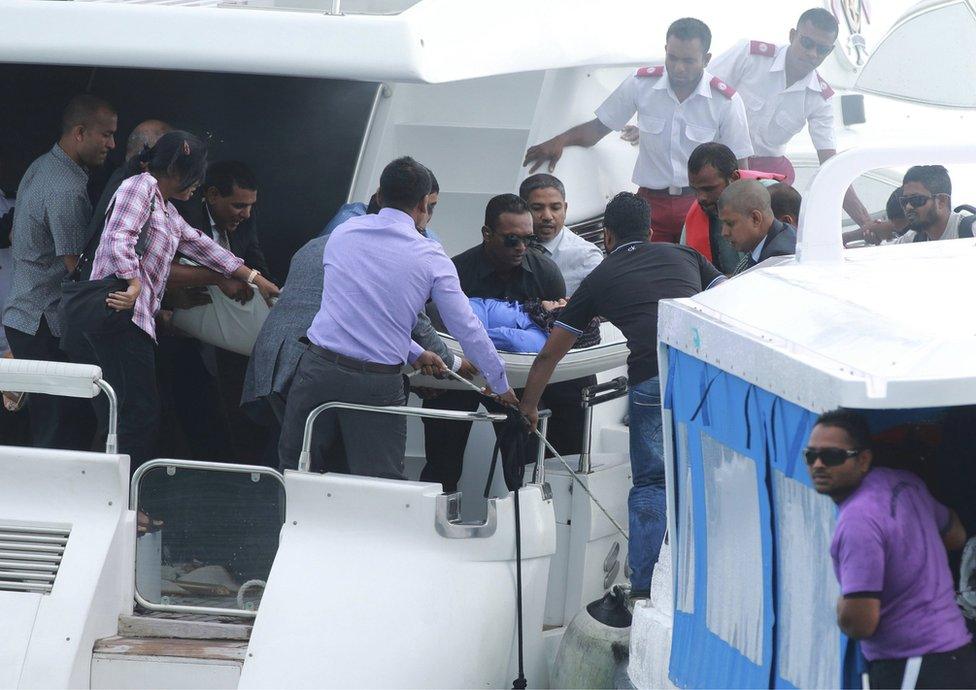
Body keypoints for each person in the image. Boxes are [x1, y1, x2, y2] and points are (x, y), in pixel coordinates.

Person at [518, 191, 724, 598]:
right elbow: (732, 299)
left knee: (651, 483)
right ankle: (706, 577)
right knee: (704, 475)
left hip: (649, 381)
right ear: (649, 232)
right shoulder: (685, 256)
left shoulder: (600, 277)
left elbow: (548, 357)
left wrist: (527, 406)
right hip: (702, 379)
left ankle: (644, 588)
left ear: (607, 238)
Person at [277, 157, 515, 479]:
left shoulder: (343, 234)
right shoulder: (431, 256)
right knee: (381, 481)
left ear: (379, 195)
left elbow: (359, 314)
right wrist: (498, 382)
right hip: (375, 384)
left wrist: (416, 352)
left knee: (296, 471)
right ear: (422, 204)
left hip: (318, 371)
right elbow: (467, 327)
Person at [80, 130, 279, 471]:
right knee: (134, 412)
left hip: (135, 320)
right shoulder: (139, 186)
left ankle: (124, 495)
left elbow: (198, 242)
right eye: (196, 176)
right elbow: (118, 240)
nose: (198, 185)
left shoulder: (164, 205)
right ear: (176, 170)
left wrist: (254, 278)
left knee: (135, 410)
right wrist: (133, 284)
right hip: (117, 314)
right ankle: (119, 496)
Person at [523, 17, 753, 244]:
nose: (678, 67)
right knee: (645, 271)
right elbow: (598, 129)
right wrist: (559, 140)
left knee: (697, 271)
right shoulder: (641, 84)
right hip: (651, 204)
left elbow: (740, 169)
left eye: (688, 61)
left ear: (706, 59)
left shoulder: (725, 101)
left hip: (700, 202)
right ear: (665, 50)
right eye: (672, 58)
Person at [805, 410, 976, 689]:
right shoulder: (904, 484)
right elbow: (956, 534)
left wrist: (841, 607)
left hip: (913, 662)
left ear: (863, 459)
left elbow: (861, 622)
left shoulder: (858, 520)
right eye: (811, 456)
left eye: (833, 456)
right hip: (953, 654)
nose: (819, 465)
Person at [421, 194, 567, 492]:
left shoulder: (545, 272)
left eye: (529, 238)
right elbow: (422, 325)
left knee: (522, 470)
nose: (522, 248)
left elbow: (557, 338)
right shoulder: (456, 271)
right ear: (487, 234)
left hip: (520, 383)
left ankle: (522, 529)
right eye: (512, 240)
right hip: (460, 376)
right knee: (442, 465)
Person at [2, 94, 117, 450]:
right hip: (43, 323)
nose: (112, 145)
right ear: (80, 132)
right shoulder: (66, 189)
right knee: (54, 425)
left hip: (23, 315)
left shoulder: (43, 164)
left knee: (45, 421)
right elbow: (76, 266)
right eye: (106, 135)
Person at [707, 8, 874, 230]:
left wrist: (866, 221)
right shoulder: (749, 54)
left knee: (785, 231)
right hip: (721, 164)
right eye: (807, 43)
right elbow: (702, 93)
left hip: (768, 174)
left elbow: (830, 164)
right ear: (792, 35)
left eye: (822, 49)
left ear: (830, 50)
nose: (813, 53)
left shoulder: (820, 98)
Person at [682, 142, 784, 275]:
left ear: (734, 178)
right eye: (695, 190)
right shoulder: (696, 213)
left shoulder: (773, 196)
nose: (701, 198)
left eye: (709, 189)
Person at [518, 174, 602, 297]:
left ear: (565, 209)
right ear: (521, 209)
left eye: (555, 208)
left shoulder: (587, 257)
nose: (547, 216)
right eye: (537, 208)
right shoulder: (506, 247)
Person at [718, 179, 797, 275]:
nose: (724, 232)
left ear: (755, 218)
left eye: (730, 223)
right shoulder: (767, 246)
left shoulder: (779, 262)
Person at [887, 166, 971, 244]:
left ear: (942, 201)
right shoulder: (915, 238)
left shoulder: (970, 231)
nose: (908, 207)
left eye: (916, 200)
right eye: (905, 201)